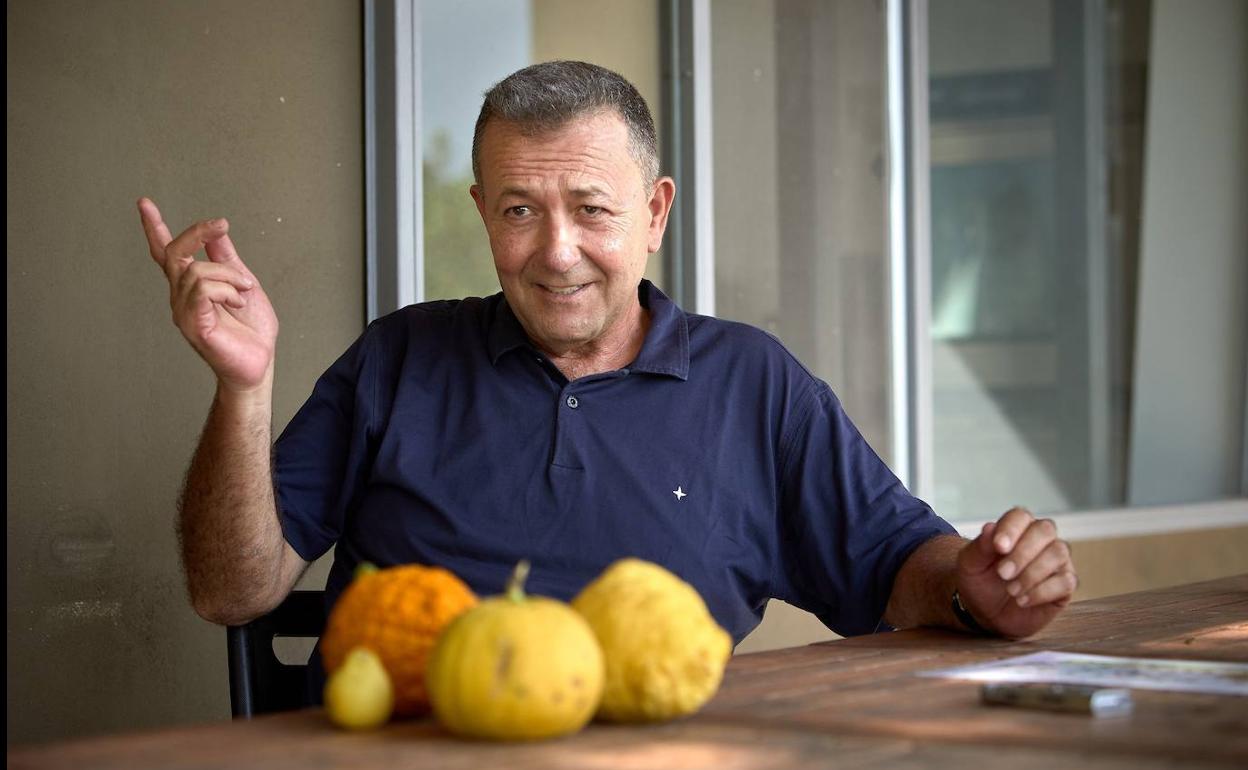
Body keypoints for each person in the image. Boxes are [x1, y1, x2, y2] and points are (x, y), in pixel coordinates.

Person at [138, 61, 1076, 663]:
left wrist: (971, 585)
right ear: (480, 213)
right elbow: (231, 590)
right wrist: (243, 388)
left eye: (591, 208)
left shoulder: (753, 384)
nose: (554, 251)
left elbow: (891, 566)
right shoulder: (398, 359)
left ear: (656, 212)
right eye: (518, 210)